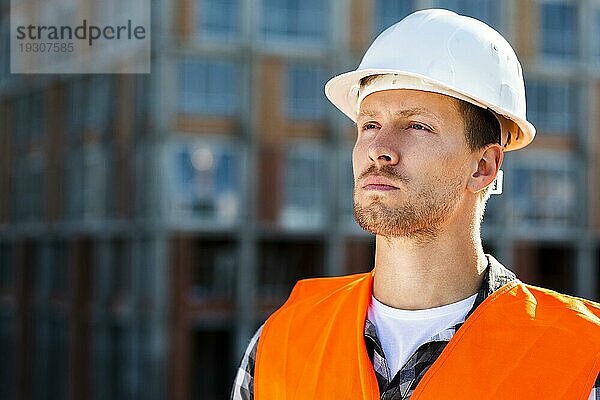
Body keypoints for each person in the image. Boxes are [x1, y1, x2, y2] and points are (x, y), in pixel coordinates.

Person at [231, 9, 600, 399]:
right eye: (369, 125)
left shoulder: (584, 356)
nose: (379, 150)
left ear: (483, 166)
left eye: (416, 126)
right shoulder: (281, 340)